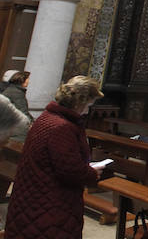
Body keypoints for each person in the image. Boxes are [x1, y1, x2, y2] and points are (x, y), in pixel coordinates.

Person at [5, 76, 107, 239]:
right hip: (50, 203)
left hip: (33, 196)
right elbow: (69, 170)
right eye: (88, 105)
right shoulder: (62, 128)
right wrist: (91, 173)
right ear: (80, 101)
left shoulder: (46, 118)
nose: (88, 111)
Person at [2, 71, 33, 143]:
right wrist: (32, 123)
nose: (29, 81)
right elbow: (23, 111)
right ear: (22, 79)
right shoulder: (17, 93)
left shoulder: (13, 90)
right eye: (28, 78)